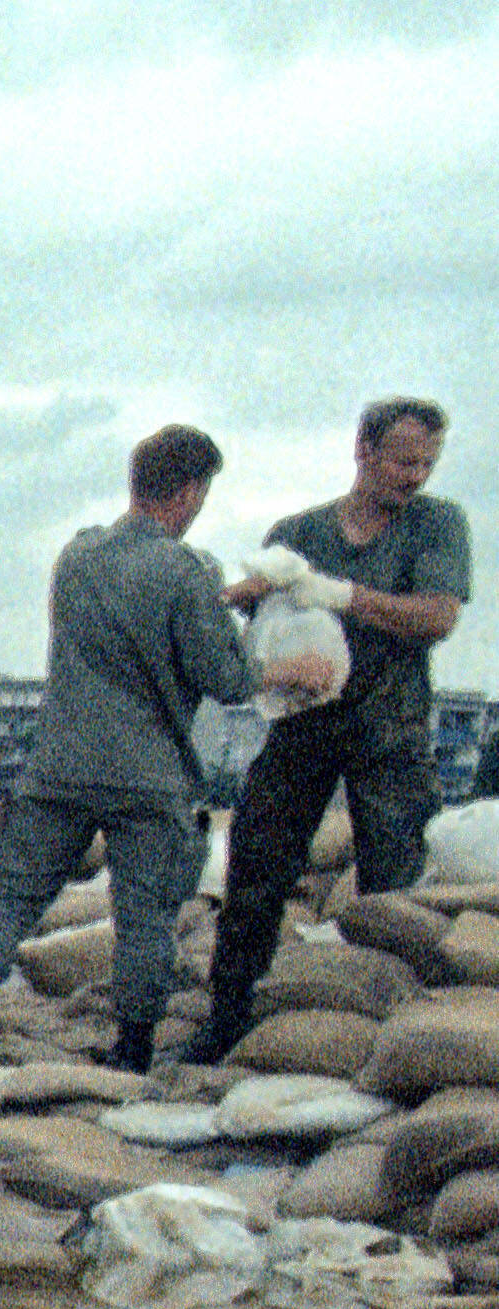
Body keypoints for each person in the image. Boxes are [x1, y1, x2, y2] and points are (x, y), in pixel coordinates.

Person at [0, 426, 317, 1073]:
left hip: (60, 765)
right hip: (149, 776)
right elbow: (225, 678)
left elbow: (123, 619)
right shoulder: (187, 570)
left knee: (15, 896)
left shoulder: (76, 556)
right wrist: (290, 668)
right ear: (191, 491)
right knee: (145, 917)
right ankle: (132, 1048)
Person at [195, 397, 469, 1064]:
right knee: (256, 868)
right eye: (404, 460)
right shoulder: (301, 532)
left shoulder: (436, 525)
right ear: (363, 451)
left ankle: (393, 1032)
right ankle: (228, 1017)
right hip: (302, 726)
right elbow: (259, 631)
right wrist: (244, 599)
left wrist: (343, 597)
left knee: (394, 885)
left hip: (390, 728)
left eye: (427, 463)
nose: (416, 476)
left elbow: (435, 617)